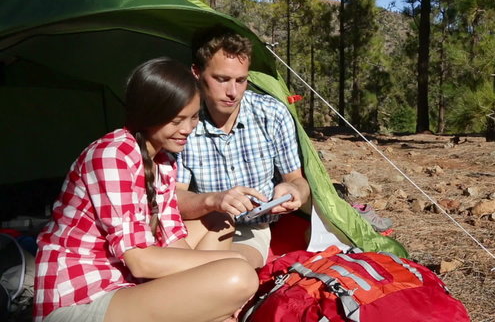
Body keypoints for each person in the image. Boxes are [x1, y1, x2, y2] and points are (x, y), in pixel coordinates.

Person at [34, 58, 258, 322]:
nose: (187, 129)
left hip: (126, 286)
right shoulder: (112, 155)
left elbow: (175, 242)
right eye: (176, 120)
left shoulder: (162, 162)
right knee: (239, 276)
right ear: (149, 115)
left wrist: (212, 293)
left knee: (221, 222)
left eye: (194, 117)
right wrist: (229, 266)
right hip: (80, 300)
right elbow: (140, 261)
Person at [175, 29, 311, 269]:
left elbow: (297, 181)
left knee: (229, 271)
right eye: (221, 79)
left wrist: (292, 191)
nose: (233, 92)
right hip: (202, 220)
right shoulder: (183, 123)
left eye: (241, 80)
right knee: (170, 270)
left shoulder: (272, 114)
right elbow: (175, 197)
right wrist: (214, 201)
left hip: (252, 227)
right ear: (197, 73)